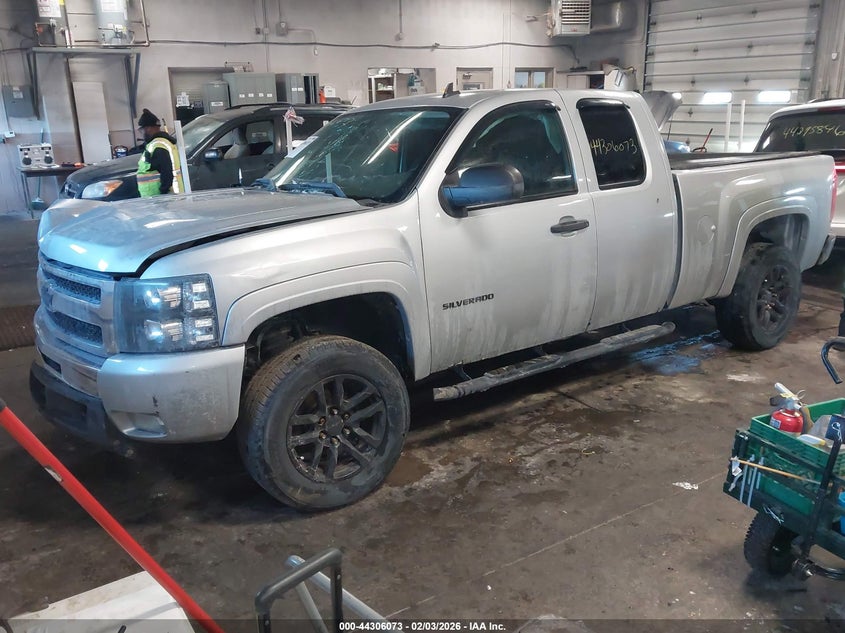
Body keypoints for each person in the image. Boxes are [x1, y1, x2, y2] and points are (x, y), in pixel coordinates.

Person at [135, 108, 184, 197]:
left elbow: (166, 172)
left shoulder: (158, 146)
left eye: (141, 130)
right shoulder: (158, 143)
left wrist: (164, 194)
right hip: (157, 196)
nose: (141, 133)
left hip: (159, 197)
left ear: (148, 128)